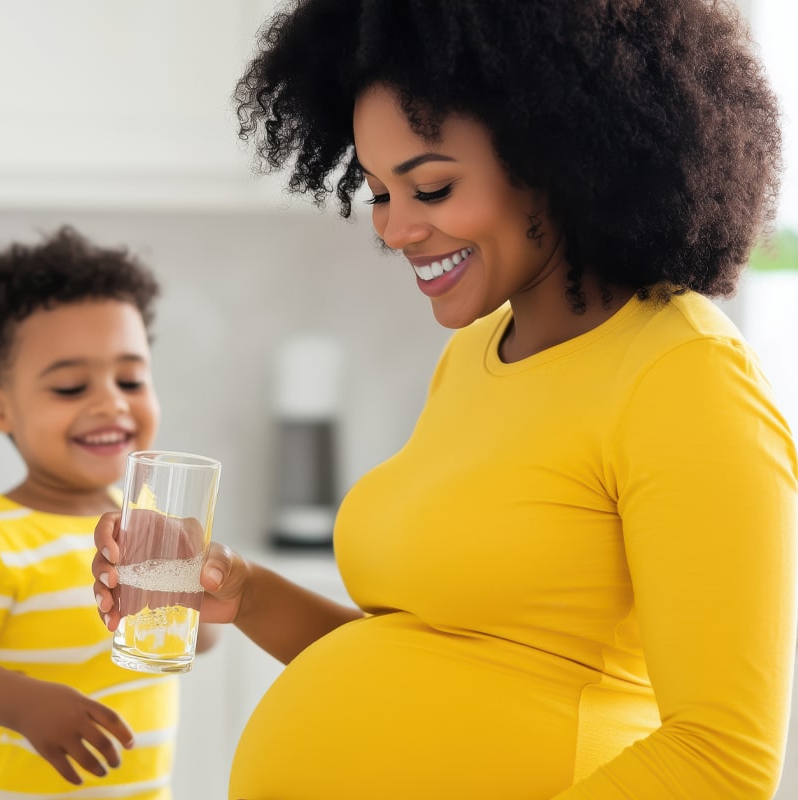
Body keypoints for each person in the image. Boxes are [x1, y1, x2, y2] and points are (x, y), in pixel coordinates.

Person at [91, 1, 798, 797]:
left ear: (559, 157)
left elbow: (721, 757)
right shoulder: (473, 354)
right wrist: (243, 592)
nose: (394, 230)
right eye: (380, 192)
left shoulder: (686, 376)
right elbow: (434, 652)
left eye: (430, 187)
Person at [0, 225, 215, 799]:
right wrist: (24, 704)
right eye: (72, 386)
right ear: (1, 408)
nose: (112, 402)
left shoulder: (143, 520)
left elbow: (199, 638)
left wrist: (195, 590)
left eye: (131, 378)